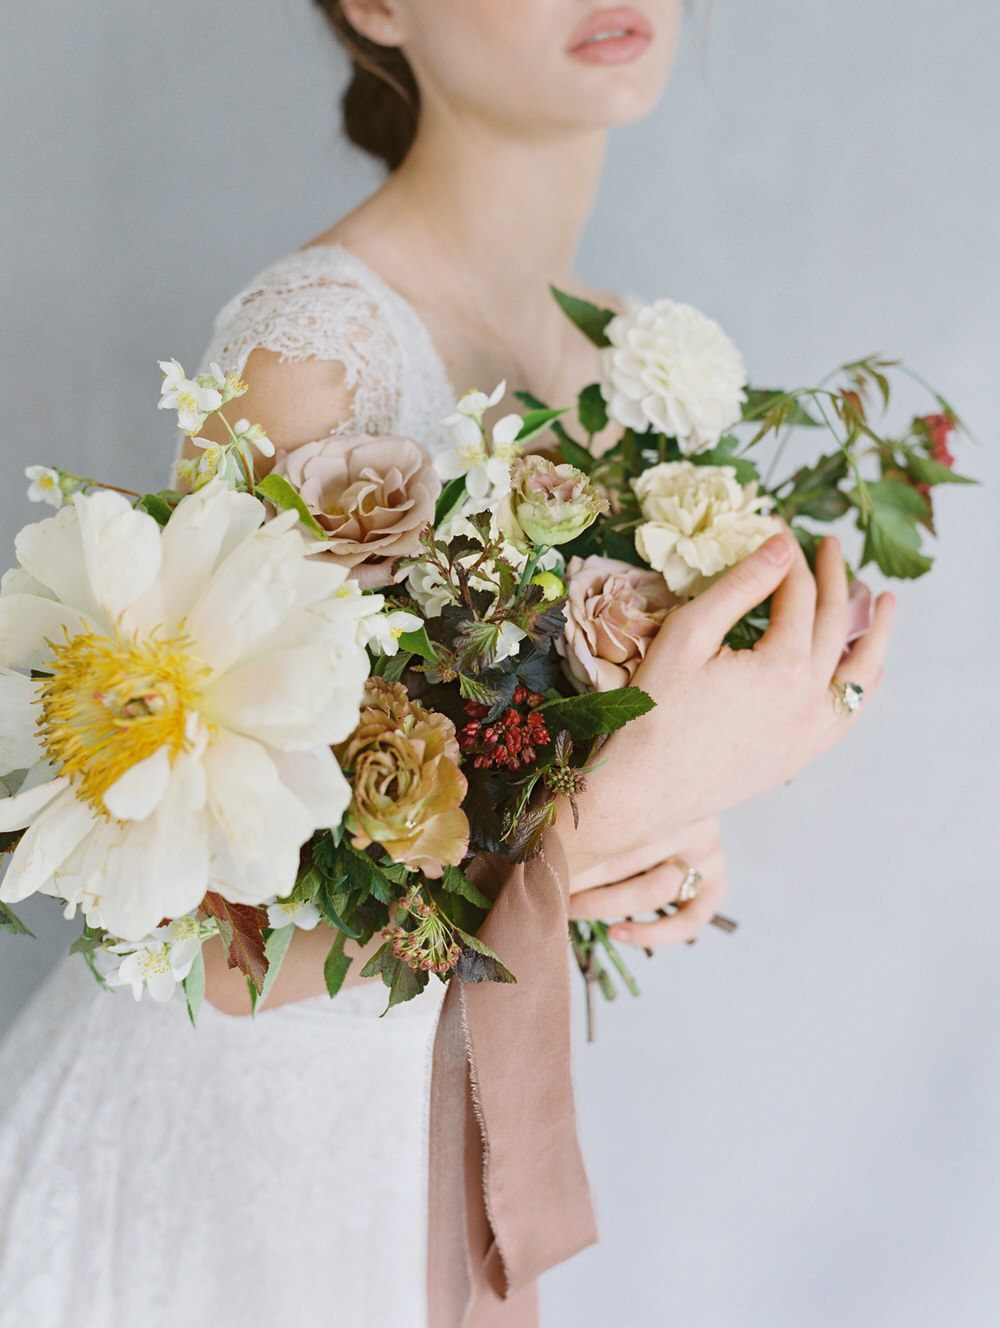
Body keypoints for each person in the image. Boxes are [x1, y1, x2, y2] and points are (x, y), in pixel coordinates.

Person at [0, 2, 894, 1325]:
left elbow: (539, 782)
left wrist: (651, 831)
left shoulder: (625, 358)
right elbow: (198, 940)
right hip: (249, 1158)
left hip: (429, 1128)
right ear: (376, 7)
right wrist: (589, 833)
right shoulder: (308, 360)